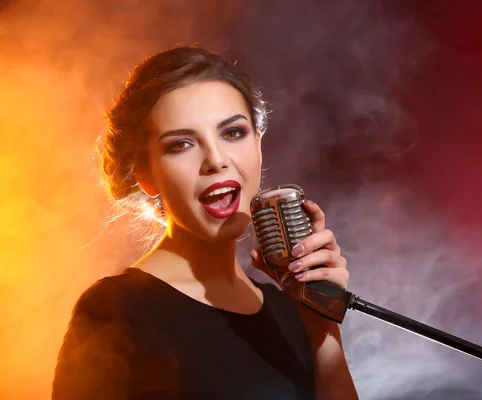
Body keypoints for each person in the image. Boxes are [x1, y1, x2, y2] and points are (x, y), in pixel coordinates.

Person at [52, 45, 358, 399]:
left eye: (232, 133)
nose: (216, 160)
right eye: (181, 144)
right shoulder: (113, 312)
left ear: (259, 146)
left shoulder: (290, 311)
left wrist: (322, 325)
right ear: (145, 174)